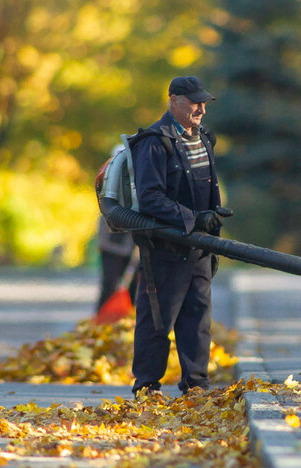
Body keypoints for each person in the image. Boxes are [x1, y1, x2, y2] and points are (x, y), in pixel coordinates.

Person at [130, 75, 230, 396]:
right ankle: (146, 388)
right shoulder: (155, 141)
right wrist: (193, 219)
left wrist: (211, 224)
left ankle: (196, 388)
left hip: (200, 249)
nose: (201, 108)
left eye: (203, 102)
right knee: (158, 322)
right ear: (173, 100)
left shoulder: (202, 138)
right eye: (194, 102)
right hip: (165, 249)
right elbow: (150, 199)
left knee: (198, 321)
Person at [96, 216, 138, 310]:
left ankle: (127, 316)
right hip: (112, 248)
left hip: (133, 248)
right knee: (110, 284)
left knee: (133, 286)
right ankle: (102, 317)